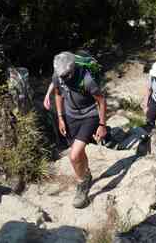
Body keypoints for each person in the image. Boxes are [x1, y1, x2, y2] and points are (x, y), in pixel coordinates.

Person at [53, 51, 107, 209]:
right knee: (79, 153)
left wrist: (102, 125)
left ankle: (82, 185)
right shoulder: (58, 75)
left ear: (73, 69)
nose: (63, 79)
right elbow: (57, 94)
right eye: (61, 76)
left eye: (66, 76)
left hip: (89, 116)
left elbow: (101, 101)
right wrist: (61, 118)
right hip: (70, 117)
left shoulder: (87, 80)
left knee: (74, 155)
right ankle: (87, 174)